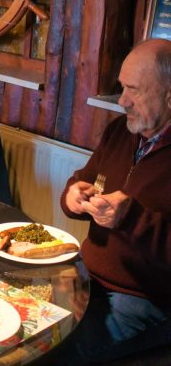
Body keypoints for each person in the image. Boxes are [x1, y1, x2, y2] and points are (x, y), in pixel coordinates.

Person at [52, 38, 171, 365]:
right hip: (87, 276)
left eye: (134, 90)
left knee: (53, 352)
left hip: (144, 299)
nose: (122, 101)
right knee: (21, 321)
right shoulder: (122, 131)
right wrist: (74, 196)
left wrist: (131, 218)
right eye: (122, 87)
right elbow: (83, 180)